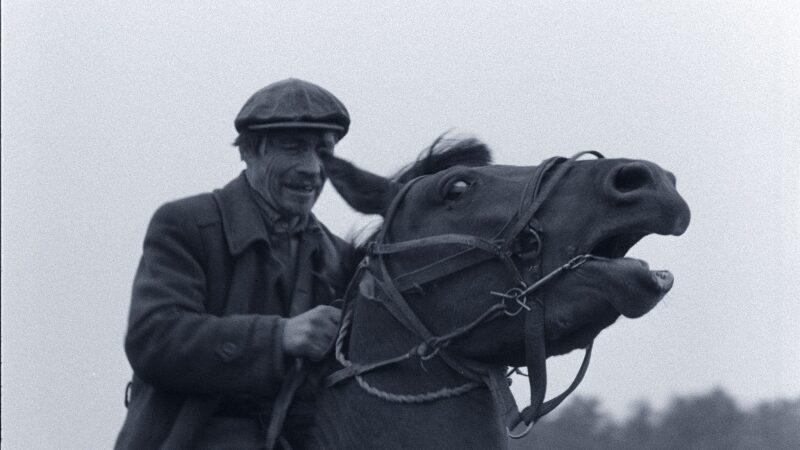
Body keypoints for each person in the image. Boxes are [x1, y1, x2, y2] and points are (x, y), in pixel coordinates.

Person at [114, 79, 354, 449]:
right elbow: (154, 340)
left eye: (324, 152)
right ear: (250, 152)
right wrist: (279, 337)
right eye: (294, 149)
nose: (312, 169)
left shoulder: (338, 256)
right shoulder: (185, 224)